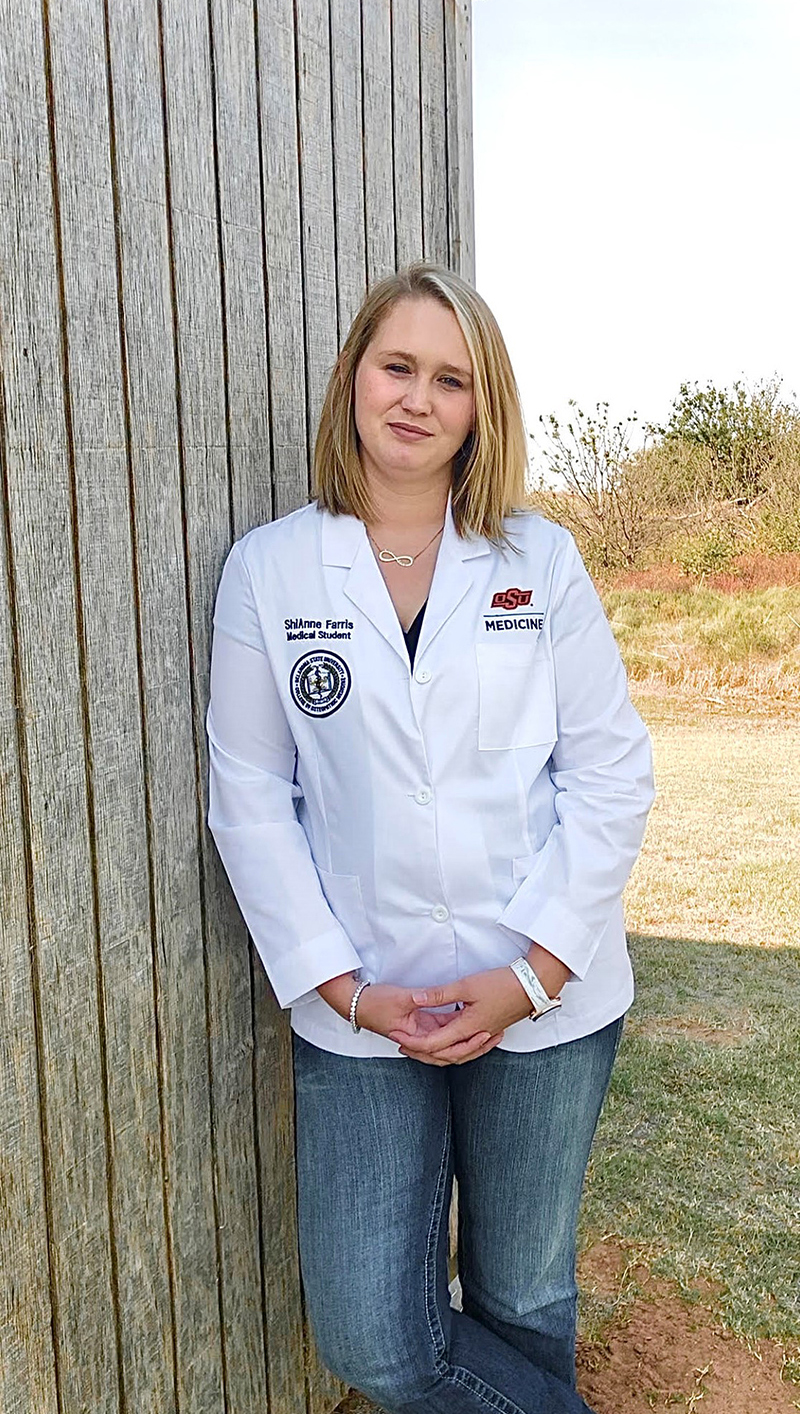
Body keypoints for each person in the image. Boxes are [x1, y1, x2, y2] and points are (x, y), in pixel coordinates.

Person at [207, 262, 655, 1414]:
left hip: (542, 988)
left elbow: (609, 772)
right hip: (362, 1001)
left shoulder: (536, 560)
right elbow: (250, 793)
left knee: (518, 1291)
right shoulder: (270, 568)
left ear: (480, 406)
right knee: (370, 1333)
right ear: (354, 375)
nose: (416, 398)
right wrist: (343, 987)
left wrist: (530, 974)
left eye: (449, 379)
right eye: (396, 365)